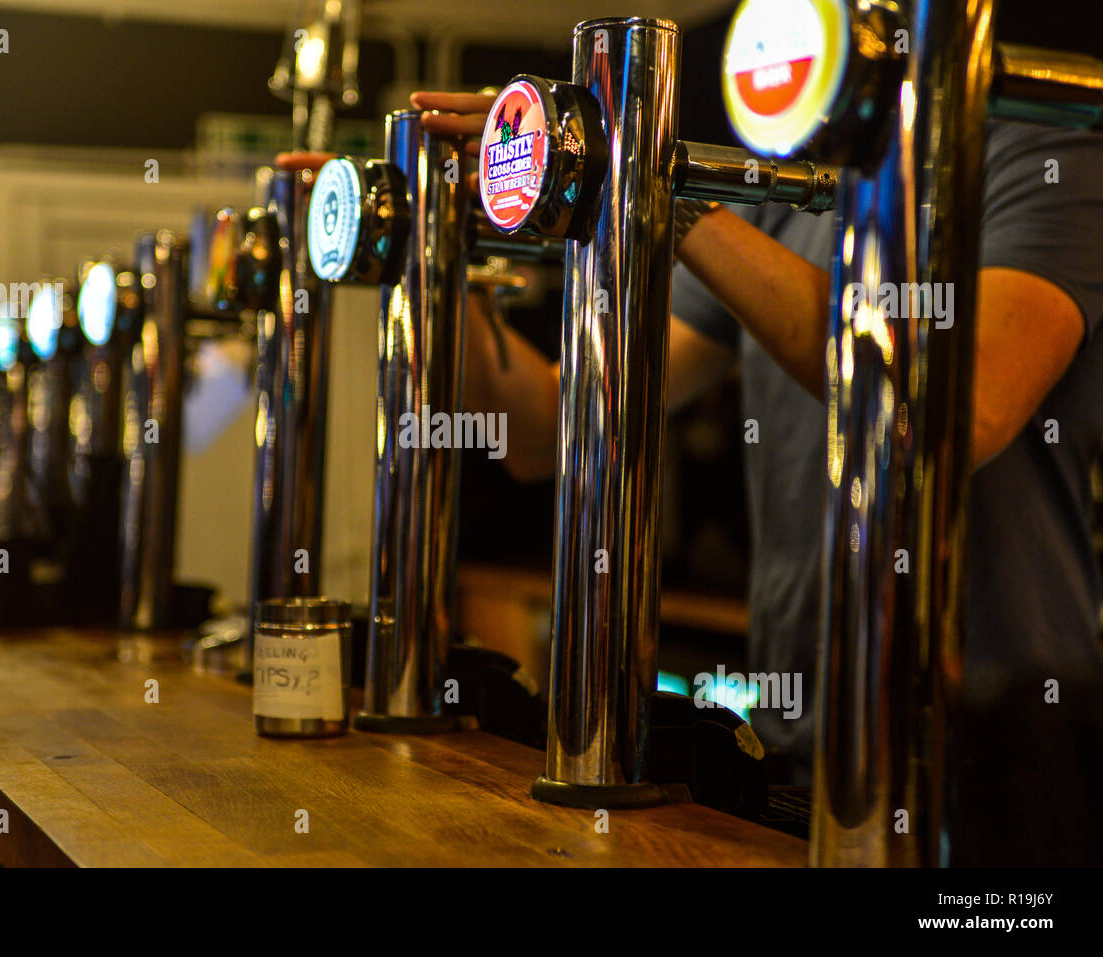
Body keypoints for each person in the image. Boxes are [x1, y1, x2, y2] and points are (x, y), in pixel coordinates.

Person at [397, 92, 1103, 864]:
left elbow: (957, 413)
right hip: (800, 730)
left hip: (998, 740)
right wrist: (439, 239)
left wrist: (644, 177)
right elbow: (542, 430)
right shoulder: (785, 192)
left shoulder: (1042, 156)